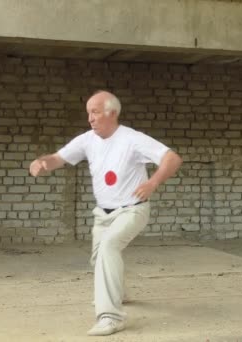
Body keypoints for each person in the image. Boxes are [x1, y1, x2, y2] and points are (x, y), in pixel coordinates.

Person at [29, 90, 183, 336]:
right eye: (88, 112)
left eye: (95, 112)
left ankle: (111, 317)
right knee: (98, 259)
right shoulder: (87, 140)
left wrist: (152, 183)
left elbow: (172, 158)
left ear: (112, 113)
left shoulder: (133, 139)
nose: (90, 118)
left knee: (108, 249)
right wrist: (42, 162)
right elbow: (58, 158)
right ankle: (118, 292)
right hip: (103, 214)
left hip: (132, 209)